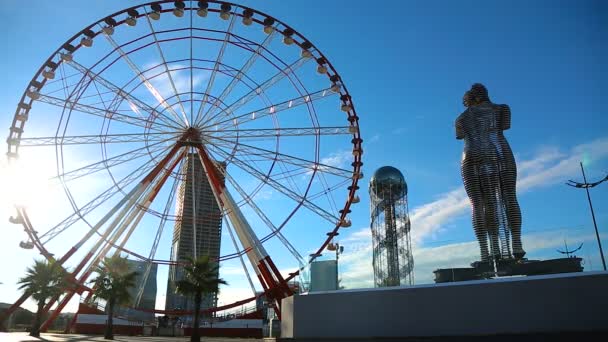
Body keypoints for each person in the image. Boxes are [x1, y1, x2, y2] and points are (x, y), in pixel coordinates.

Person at [455, 83, 525, 263]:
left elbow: (460, 136)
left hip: (471, 154)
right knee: (509, 195)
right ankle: (516, 244)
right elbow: (504, 127)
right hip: (498, 149)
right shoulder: (502, 109)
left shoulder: (461, 119)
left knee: (478, 203)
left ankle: (488, 250)